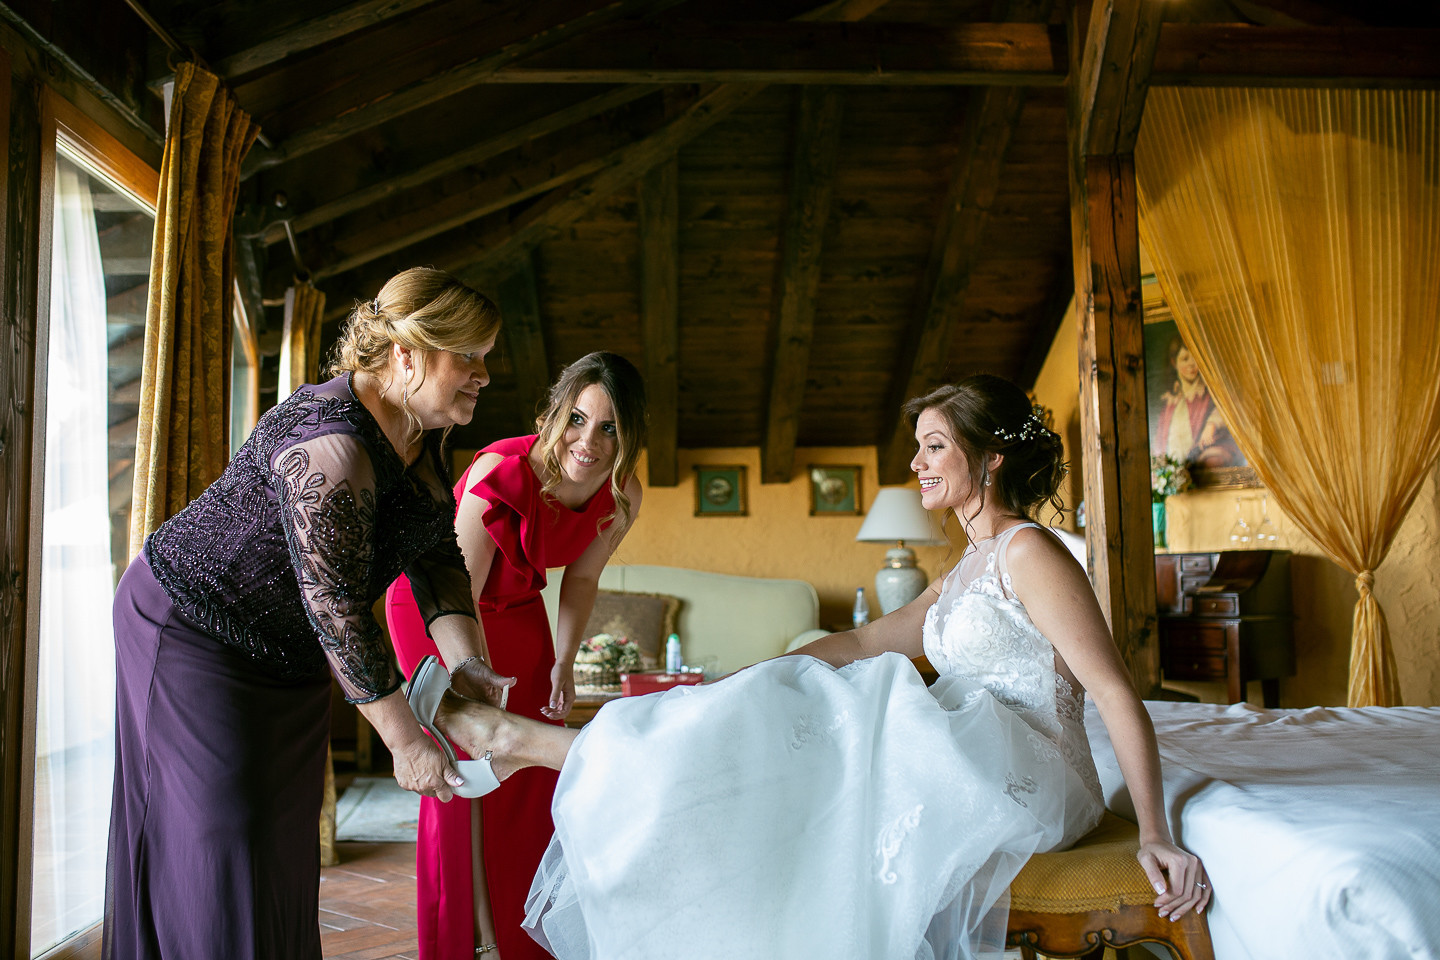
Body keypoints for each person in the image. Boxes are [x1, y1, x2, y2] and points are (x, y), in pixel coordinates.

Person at [410, 374, 1212, 960]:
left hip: (1030, 771)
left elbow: (1111, 688)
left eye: (935, 446)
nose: (920, 463)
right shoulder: (967, 566)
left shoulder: (1028, 551)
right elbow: (863, 640)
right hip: (976, 751)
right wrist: (740, 683)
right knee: (812, 702)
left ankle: (533, 745)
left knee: (865, 715)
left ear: (991, 458)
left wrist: (1154, 831)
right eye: (920, 447)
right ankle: (574, 744)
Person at [103, 267, 516, 960]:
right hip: (192, 635)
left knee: (278, 845)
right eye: (467, 357)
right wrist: (406, 742)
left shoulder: (419, 429)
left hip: (287, 655)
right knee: (223, 839)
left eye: (486, 358)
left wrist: (466, 658)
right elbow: (339, 610)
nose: (482, 375)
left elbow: (436, 550)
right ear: (407, 356)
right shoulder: (332, 449)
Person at [385, 352, 647, 960]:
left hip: (520, 610)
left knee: (532, 777)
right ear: (556, 411)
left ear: (629, 433)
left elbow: (580, 581)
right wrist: (462, 681)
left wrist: (563, 660)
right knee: (465, 776)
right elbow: (458, 595)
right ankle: (474, 942)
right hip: (440, 614)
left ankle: (524, 934)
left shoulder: (623, 491)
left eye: (609, 428)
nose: (588, 441)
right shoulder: (498, 473)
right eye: (577, 418)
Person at [1153, 335, 1239, 468]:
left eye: (1195, 358)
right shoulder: (1171, 401)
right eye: (1185, 359)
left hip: (1208, 449)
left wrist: (1212, 424)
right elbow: (1160, 440)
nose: (1191, 364)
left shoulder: (1208, 391)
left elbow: (1226, 407)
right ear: (1174, 363)